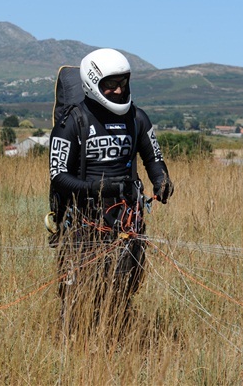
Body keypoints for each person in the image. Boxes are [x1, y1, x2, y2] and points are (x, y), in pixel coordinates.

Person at [47, 47, 174, 332]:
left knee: (125, 285)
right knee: (78, 291)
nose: (118, 91)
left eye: (123, 83)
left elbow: (153, 157)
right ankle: (76, 341)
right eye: (110, 85)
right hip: (83, 221)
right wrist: (99, 188)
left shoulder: (137, 118)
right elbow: (58, 177)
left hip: (127, 219)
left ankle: (114, 333)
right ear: (93, 84)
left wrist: (161, 179)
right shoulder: (71, 123)